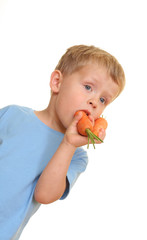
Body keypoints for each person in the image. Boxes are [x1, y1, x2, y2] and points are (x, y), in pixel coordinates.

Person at [0, 45, 125, 239]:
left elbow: (44, 195)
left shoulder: (76, 155)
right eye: (88, 87)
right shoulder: (12, 114)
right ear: (57, 82)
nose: (94, 102)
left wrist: (68, 144)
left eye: (103, 100)